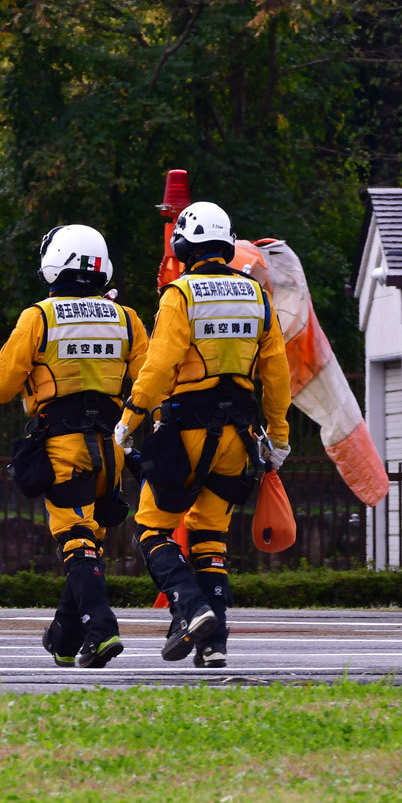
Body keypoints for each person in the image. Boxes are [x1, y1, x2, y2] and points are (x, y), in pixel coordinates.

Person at [116, 201, 291, 666]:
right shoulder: (258, 296)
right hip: (240, 436)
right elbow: (276, 374)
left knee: (151, 529)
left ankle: (191, 609)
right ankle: (215, 643)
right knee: (210, 534)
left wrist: (131, 416)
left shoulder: (181, 294)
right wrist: (279, 434)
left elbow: (159, 366)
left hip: (184, 434)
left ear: (184, 246)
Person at [0, 225, 148, 668]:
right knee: (88, 541)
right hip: (111, 449)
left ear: (54, 261)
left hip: (63, 447)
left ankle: (102, 631)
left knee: (74, 540)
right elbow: (150, 380)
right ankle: (64, 637)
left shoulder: (39, 317)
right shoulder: (127, 319)